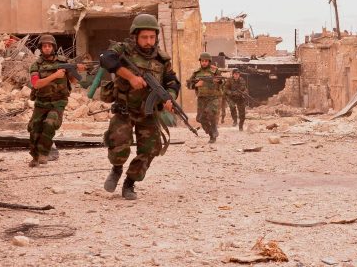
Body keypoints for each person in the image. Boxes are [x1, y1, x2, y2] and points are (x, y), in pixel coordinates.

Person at [102, 13, 178, 201]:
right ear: (135, 36)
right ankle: (117, 169)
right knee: (119, 148)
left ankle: (129, 183)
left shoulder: (162, 59)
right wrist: (131, 77)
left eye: (152, 37)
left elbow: (172, 82)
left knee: (151, 149)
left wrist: (170, 98)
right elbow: (105, 58)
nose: (148, 41)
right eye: (144, 37)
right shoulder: (123, 50)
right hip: (124, 110)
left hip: (148, 114)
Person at [27, 35, 84, 167]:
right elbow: (36, 84)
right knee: (34, 129)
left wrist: (75, 70)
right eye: (44, 46)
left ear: (53, 47)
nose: (47, 48)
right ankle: (35, 156)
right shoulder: (36, 65)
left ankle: (44, 153)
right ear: (41, 48)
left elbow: (74, 81)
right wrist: (55, 75)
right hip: (41, 102)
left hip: (58, 102)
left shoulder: (63, 62)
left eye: (49, 46)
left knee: (50, 123)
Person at [187, 52, 223, 143]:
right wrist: (196, 85)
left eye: (206, 61)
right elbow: (188, 84)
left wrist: (218, 81)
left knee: (210, 113)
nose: (204, 63)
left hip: (213, 97)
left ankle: (214, 131)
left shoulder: (215, 71)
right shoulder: (196, 73)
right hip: (202, 98)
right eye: (202, 61)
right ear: (200, 61)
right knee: (200, 118)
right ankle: (211, 132)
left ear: (209, 61)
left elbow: (223, 82)